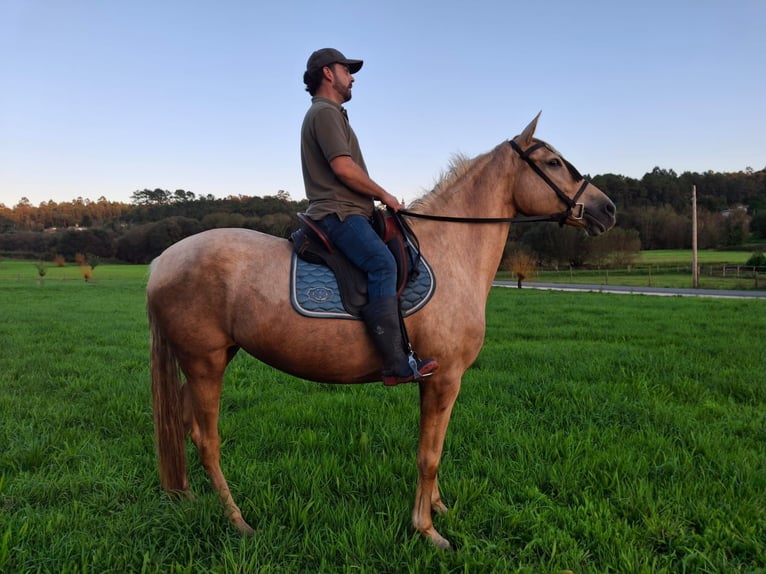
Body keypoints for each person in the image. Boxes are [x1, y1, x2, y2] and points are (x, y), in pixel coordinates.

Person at [300, 47, 438, 386]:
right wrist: (385, 195)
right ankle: (394, 363)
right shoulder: (325, 113)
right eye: (347, 70)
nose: (352, 77)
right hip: (338, 214)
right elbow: (343, 168)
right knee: (382, 264)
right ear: (328, 74)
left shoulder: (332, 114)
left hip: (352, 211)